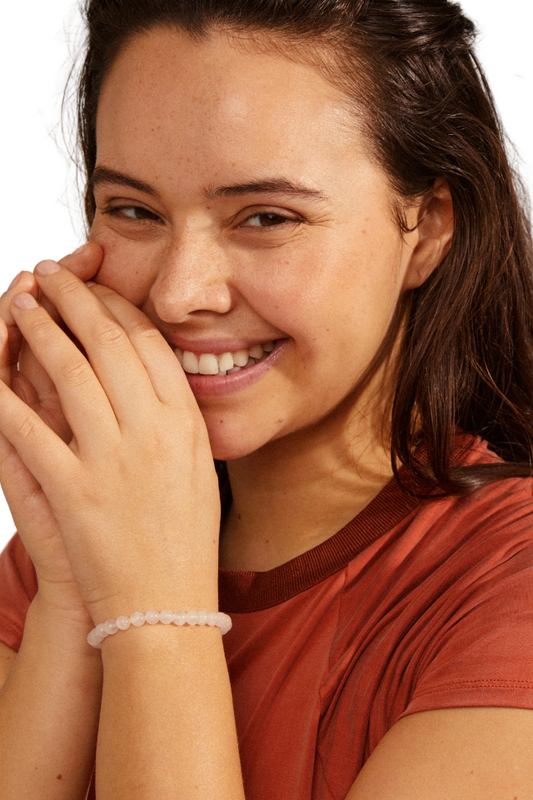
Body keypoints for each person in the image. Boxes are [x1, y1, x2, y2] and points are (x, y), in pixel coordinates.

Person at [0, 0, 533, 796]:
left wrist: (151, 615)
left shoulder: (505, 582)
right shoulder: (73, 547)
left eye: (267, 217)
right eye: (134, 211)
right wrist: (76, 589)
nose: (179, 294)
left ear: (424, 229)